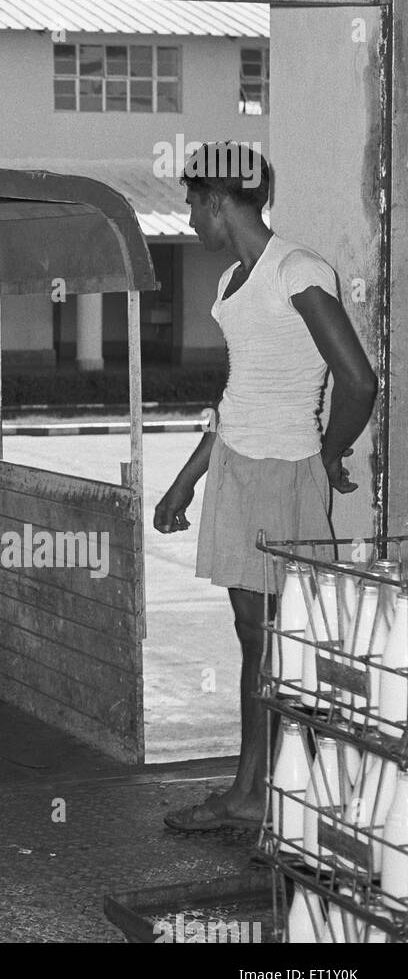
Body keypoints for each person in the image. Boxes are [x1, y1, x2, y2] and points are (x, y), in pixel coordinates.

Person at [155, 143, 377, 832]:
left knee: (275, 642)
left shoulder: (298, 271)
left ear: (222, 202)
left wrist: (325, 454)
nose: (190, 217)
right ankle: (250, 791)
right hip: (238, 469)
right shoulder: (231, 283)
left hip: (283, 474)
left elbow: (359, 382)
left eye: (194, 203)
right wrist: (185, 482)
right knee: (256, 638)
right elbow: (238, 398)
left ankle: (270, 795)